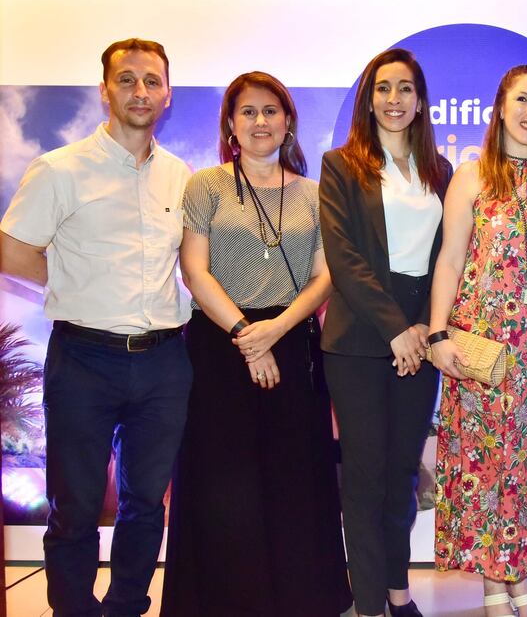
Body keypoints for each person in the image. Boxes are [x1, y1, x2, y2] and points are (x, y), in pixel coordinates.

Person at [0, 38, 191, 616]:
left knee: (144, 503)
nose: (140, 91)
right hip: (83, 359)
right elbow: (12, 252)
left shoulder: (181, 176)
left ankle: (128, 605)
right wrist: (71, 287)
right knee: (75, 505)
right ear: (105, 89)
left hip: (162, 361)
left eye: (151, 81)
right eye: (127, 79)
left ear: (167, 94)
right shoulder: (59, 169)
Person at [159, 71, 352, 616]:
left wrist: (277, 329)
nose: (260, 121)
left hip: (291, 341)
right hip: (221, 345)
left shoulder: (313, 193)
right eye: (248, 112)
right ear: (230, 123)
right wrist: (248, 335)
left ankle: (299, 598)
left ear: (288, 121)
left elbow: (324, 276)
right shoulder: (206, 186)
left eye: (271, 111)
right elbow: (195, 271)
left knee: (295, 476)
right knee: (225, 481)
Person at [429, 65, 527, 617]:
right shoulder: (471, 176)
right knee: (488, 464)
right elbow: (449, 260)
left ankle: (519, 576)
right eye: (522, 99)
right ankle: (495, 582)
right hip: (485, 348)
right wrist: (437, 333)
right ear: (500, 105)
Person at [319, 48, 452, 617]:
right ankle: (369, 603)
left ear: (420, 100)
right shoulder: (340, 165)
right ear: (368, 98)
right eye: (382, 88)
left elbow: (450, 257)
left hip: (420, 337)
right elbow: (344, 259)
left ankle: (400, 595)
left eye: (404, 88)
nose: (393, 99)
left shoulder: (440, 171)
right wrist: (397, 329)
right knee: (367, 476)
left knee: (402, 475)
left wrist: (426, 328)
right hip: (358, 343)